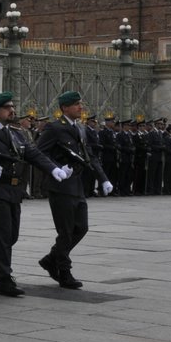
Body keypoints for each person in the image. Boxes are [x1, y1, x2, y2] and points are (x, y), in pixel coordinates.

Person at [0, 92, 63, 297]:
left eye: (12, 107)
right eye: (7, 108)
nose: (12, 111)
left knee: (11, 236)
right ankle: (5, 279)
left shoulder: (15, 133)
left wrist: (52, 168)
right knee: (1, 237)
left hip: (11, 191)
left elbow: (32, 153)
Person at [35, 91, 112, 289]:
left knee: (82, 228)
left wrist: (103, 179)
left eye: (80, 104)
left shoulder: (81, 128)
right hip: (60, 186)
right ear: (64, 108)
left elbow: (90, 156)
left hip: (77, 186)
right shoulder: (54, 128)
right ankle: (64, 271)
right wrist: (55, 168)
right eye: (76, 104)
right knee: (66, 232)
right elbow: (38, 152)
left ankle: (51, 259)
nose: (81, 107)